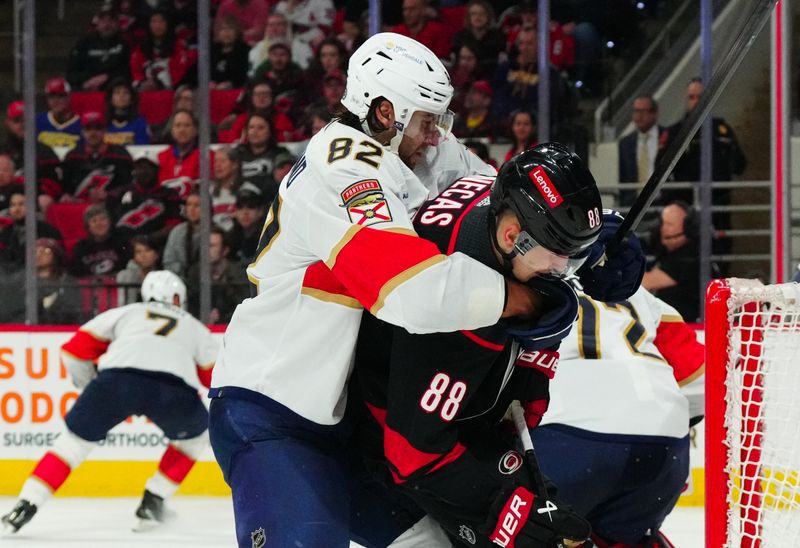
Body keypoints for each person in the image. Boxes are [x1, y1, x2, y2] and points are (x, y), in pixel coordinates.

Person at [207, 32, 542, 548]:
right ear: (385, 112)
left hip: (351, 426)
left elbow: (507, 206)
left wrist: (584, 236)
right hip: (274, 411)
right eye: (427, 121)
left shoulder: (418, 146)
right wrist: (520, 300)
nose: (436, 136)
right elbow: (410, 291)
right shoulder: (341, 168)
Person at [349, 145, 646, 548]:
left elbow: (544, 221)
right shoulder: (455, 310)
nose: (564, 274)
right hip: (393, 448)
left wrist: (595, 242)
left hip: (461, 419)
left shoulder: (502, 206)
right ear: (512, 237)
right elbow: (413, 453)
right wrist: (505, 510)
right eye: (562, 259)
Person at [0, 271, 218, 534]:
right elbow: (214, 376)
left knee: (72, 444)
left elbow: (74, 349)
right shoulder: (194, 325)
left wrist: (89, 383)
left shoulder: (127, 311)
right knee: (195, 438)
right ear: (177, 298)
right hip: (171, 389)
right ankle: (154, 502)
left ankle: (25, 505)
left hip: (116, 381)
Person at [533, 285, 704, 546]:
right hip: (665, 450)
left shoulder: (513, 277)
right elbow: (700, 383)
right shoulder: (636, 291)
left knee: (502, 525)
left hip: (566, 441)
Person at [642, 201, 711, 323]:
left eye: (669, 224)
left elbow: (646, 283)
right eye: (662, 223)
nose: (663, 229)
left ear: (687, 228)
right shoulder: (667, 253)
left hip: (687, 326)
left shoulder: (689, 258)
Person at [60, 112, 133, 203]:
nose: (93, 133)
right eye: (88, 128)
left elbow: (128, 186)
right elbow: (65, 186)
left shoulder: (121, 155)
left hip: (110, 205)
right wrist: (66, 195)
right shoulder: (72, 156)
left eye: (97, 128)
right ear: (82, 131)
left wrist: (110, 195)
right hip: (77, 205)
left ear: (105, 130)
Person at [187, 226, 249, 324]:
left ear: (225, 250)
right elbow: (190, 305)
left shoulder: (239, 275)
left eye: (211, 246)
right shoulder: (195, 272)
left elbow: (244, 308)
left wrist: (222, 317)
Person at [66, 5, 130, 92]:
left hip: (115, 89)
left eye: (111, 20)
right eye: (103, 20)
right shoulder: (84, 43)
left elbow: (127, 70)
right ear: (97, 23)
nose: (107, 25)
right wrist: (88, 81)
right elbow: (71, 71)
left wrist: (107, 77)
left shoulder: (125, 44)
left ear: (117, 23)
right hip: (86, 87)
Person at [618, 95, 667, 207]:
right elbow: (624, 176)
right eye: (636, 111)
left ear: (654, 113)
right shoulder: (625, 143)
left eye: (643, 111)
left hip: (661, 203)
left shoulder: (667, 136)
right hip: (633, 203)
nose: (638, 116)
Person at [70, 204, 130, 278]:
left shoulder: (122, 243)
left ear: (109, 222)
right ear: (88, 226)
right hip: (90, 287)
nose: (99, 224)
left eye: (102, 219)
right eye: (94, 221)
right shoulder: (80, 248)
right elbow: (76, 274)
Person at [163, 188, 201, 279]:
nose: (192, 209)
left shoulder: (215, 232)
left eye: (197, 205)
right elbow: (168, 262)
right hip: (179, 281)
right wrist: (184, 270)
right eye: (189, 205)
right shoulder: (177, 232)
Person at [35, 77, 81, 149]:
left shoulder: (82, 123)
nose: (56, 101)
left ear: (69, 97)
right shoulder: (37, 121)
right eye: (52, 97)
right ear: (47, 99)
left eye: (61, 96)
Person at [104, 78, 151, 145]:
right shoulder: (103, 122)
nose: (121, 95)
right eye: (117, 92)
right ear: (110, 98)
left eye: (126, 92)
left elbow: (143, 148)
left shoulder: (139, 122)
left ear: (131, 99)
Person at [210, 16, 250, 89]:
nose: (226, 32)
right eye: (223, 29)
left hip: (235, 89)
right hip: (213, 88)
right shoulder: (213, 49)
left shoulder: (244, 49)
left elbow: (243, 74)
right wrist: (210, 82)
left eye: (230, 29)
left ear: (237, 32)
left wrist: (231, 84)